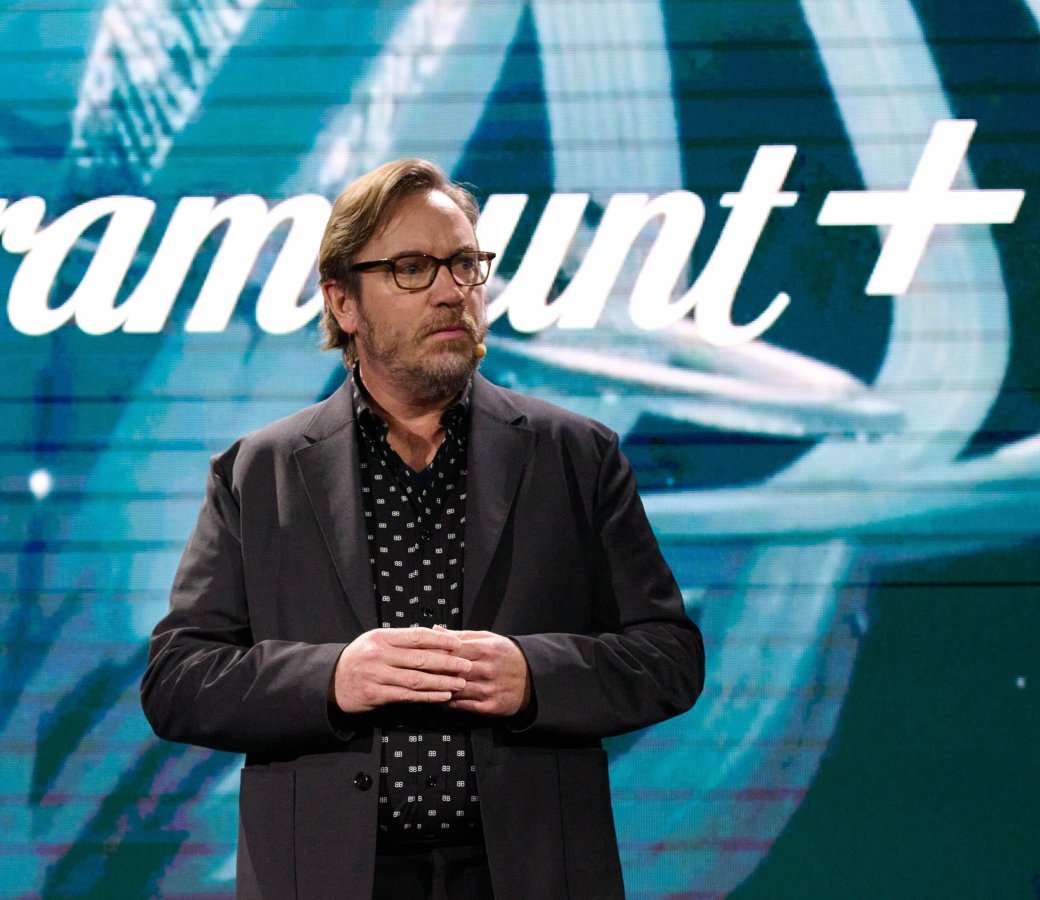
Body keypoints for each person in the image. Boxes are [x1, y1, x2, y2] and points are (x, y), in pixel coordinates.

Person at [141, 159, 705, 899]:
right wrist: (333, 679)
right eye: (411, 269)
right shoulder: (258, 473)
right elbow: (178, 680)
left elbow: (668, 657)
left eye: (465, 265)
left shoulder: (577, 455)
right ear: (342, 301)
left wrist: (533, 675)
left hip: (529, 874)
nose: (450, 291)